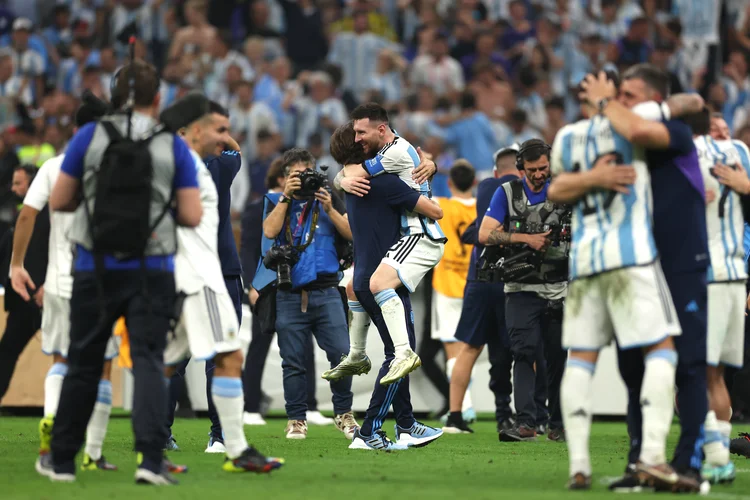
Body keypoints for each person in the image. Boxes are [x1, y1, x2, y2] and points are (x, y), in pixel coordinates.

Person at [40, 59, 203, 485]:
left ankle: (61, 462)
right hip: (153, 269)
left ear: (113, 96)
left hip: (93, 267)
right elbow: (191, 213)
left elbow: (59, 202)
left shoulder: (88, 137)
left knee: (83, 362)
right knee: (148, 362)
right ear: (159, 98)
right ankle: (150, 461)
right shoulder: (172, 144)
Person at [580, 66, 709, 491]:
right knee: (633, 367)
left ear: (653, 98)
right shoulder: (622, 138)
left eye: (630, 95)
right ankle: (642, 463)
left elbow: (640, 127)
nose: (623, 101)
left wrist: (605, 102)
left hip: (681, 264)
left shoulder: (674, 133)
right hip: (636, 266)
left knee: (688, 366)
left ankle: (689, 463)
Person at [159, 92, 283, 473]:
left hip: (179, 274)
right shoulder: (209, 166)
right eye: (219, 128)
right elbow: (234, 154)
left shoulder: (165, 163)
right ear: (193, 130)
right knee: (222, 355)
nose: (225, 136)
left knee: (172, 362)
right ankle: (225, 441)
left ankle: (161, 443)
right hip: (201, 273)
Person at [9, 96, 119, 474]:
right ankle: (92, 451)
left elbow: (27, 215)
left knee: (62, 360)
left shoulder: (54, 167)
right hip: (102, 282)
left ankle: (53, 423)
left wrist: (17, 265)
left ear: (76, 128)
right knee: (104, 365)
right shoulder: (114, 168)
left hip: (57, 283)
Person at [329, 120, 443, 450]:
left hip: (362, 277)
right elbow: (433, 211)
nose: (366, 139)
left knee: (396, 355)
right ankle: (368, 432)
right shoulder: (384, 184)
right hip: (383, 277)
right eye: (360, 137)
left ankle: (406, 425)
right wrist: (427, 174)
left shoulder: (352, 184)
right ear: (360, 147)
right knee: (398, 354)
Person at [255, 147, 358, 441]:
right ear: (285, 177)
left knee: (341, 355)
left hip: (326, 290)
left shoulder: (328, 197)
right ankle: (296, 419)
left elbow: (351, 233)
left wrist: (329, 210)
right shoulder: (276, 200)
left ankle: (344, 414)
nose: (303, 180)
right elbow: (270, 231)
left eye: (307, 173)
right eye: (296, 175)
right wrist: (286, 197)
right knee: (293, 360)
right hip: (289, 293)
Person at [478, 138, 568, 443]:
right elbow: (484, 233)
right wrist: (525, 239)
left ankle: (558, 423)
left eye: (544, 168)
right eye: (532, 170)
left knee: (558, 357)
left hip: (560, 286)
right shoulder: (507, 192)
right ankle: (527, 422)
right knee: (523, 352)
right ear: (521, 168)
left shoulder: (566, 189)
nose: (539, 174)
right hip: (520, 287)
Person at [240, 158, 326, 427]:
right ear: (281, 178)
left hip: (298, 283)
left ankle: (310, 405)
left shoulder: (309, 206)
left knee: (304, 345)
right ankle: (250, 407)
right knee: (259, 346)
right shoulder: (259, 207)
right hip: (267, 284)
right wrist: (251, 285)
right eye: (295, 175)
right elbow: (249, 249)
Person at [442, 147, 521, 435]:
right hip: (512, 280)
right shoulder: (523, 189)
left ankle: (454, 415)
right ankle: (517, 415)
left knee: (469, 349)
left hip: (478, 279)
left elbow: (477, 229)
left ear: (497, 170)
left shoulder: (488, 186)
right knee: (515, 351)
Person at [690, 107, 750, 483]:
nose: (722, 137)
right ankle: (716, 452)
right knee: (714, 375)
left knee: (703, 372)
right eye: (717, 130)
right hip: (730, 276)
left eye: (726, 130)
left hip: (709, 277)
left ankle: (708, 451)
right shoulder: (740, 160)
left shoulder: (689, 160)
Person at [429, 160, 477, 421]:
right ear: (475, 182)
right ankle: (464, 404)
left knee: (452, 349)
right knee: (470, 348)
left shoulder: (442, 206)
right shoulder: (484, 207)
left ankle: (464, 406)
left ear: (449, 183)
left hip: (446, 286)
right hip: (473, 284)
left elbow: (416, 191)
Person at [0, 164, 46, 403]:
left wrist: (46, 284)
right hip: (23, 299)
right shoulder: (21, 215)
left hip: (46, 295)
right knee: (6, 351)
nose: (14, 187)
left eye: (19, 183)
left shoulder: (46, 215)